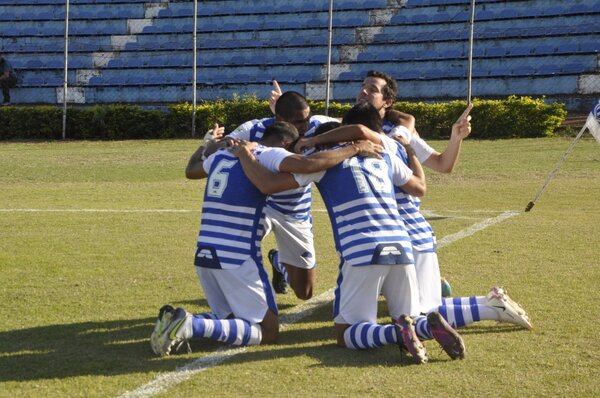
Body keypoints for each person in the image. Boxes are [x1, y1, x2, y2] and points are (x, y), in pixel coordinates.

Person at [234, 120, 466, 364]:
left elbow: (268, 185)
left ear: (325, 144)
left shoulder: (324, 163)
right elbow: (419, 186)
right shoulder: (382, 155)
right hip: (402, 246)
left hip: (362, 250)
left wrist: (246, 155)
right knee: (409, 316)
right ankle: (426, 329)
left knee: (346, 333)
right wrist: (409, 151)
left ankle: (396, 332)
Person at [151, 122, 383, 356]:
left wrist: (207, 145)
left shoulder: (222, 154)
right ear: (284, 144)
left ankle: (175, 320)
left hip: (204, 254)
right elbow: (307, 164)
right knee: (268, 331)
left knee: (232, 318)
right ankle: (192, 324)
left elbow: (191, 170)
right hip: (237, 256)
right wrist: (355, 149)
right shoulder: (266, 153)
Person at [297, 102, 532, 331]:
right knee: (426, 307)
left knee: (422, 313)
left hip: (403, 233)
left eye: (372, 89)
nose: (364, 92)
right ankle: (487, 302)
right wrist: (415, 150)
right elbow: (426, 169)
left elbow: (360, 131)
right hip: (416, 230)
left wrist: (312, 141)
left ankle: (489, 308)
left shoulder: (381, 143)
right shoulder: (399, 136)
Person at [187, 91, 338, 301]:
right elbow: (225, 146)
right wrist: (209, 144)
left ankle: (278, 262)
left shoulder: (316, 124)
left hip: (294, 211)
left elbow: (350, 125)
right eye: (299, 122)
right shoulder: (254, 129)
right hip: (261, 207)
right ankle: (242, 294)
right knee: (237, 250)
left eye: (307, 119)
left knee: (305, 292)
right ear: (280, 119)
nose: (305, 126)